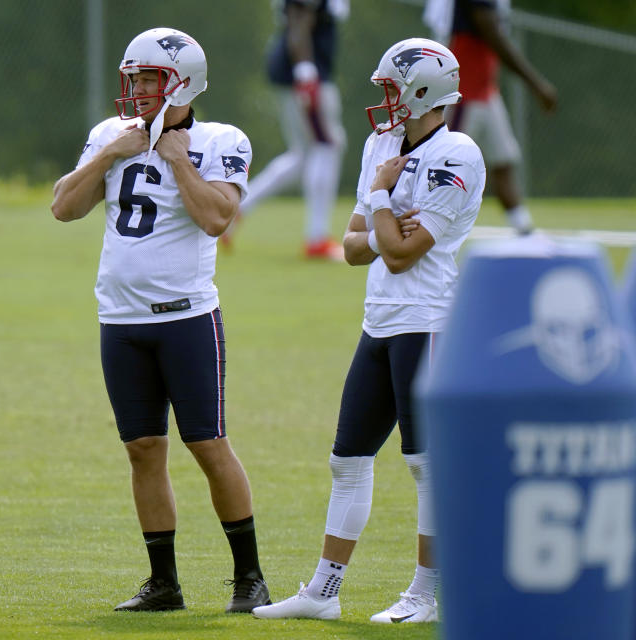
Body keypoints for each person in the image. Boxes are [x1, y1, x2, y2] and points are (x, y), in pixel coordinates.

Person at [252, 37, 484, 623]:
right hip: (379, 320)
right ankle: (324, 593)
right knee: (348, 459)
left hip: (427, 320)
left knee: (425, 463)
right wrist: (385, 220)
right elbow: (357, 247)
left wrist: (382, 199)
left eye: (391, 88)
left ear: (422, 89)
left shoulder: (458, 153)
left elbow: (403, 253)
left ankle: (426, 596)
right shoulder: (383, 143)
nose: (383, 99)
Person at [51, 27, 270, 614]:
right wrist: (108, 155)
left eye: (151, 79)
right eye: (135, 78)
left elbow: (218, 219)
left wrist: (179, 164)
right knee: (143, 448)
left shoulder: (222, 140)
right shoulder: (111, 135)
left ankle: (249, 577)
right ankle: (163, 583)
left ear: (184, 83)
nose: (139, 90)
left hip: (186, 319)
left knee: (208, 444)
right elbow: (63, 207)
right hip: (120, 320)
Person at [222, 0, 349, 260]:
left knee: (303, 155)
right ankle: (317, 238)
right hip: (305, 72)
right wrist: (306, 72)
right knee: (327, 147)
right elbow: (298, 17)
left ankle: (238, 208)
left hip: (297, 71)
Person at [425, 0, 557, 234]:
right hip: (464, 86)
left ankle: (524, 230)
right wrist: (535, 83)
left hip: (486, 89)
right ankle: (425, 228)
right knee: (447, 163)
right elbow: (490, 30)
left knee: (504, 161)